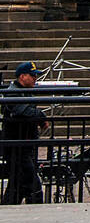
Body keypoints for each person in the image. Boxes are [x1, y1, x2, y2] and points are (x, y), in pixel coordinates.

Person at [1, 62, 48, 205]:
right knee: (33, 184)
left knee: (17, 184)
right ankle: (36, 209)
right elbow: (22, 110)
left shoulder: (24, 91)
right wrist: (40, 116)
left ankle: (8, 207)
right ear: (22, 76)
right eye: (32, 75)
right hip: (17, 148)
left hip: (23, 147)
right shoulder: (13, 92)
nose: (35, 79)